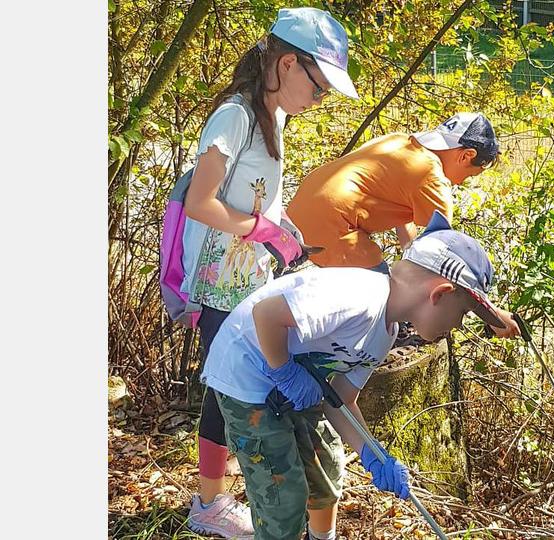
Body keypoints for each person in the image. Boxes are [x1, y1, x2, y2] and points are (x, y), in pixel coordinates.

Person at [200, 211, 512, 540]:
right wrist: (285, 372)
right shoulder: (358, 297)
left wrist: (372, 453)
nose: (459, 325)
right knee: (283, 497)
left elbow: (341, 400)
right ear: (438, 294)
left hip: (296, 380)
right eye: (462, 312)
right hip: (247, 373)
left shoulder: (385, 333)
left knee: (327, 471)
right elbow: (267, 314)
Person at [181, 8, 360, 538]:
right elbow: (200, 202)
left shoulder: (273, 114)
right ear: (287, 64)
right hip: (221, 283)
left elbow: (258, 196)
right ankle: (208, 504)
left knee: (234, 385)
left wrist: (287, 232)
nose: (320, 98)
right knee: (222, 387)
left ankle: (217, 496)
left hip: (252, 280)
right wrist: (264, 230)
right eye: (320, 86)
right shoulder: (235, 117)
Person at [286, 113, 501, 274]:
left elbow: (404, 222)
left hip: (297, 214)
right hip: (331, 224)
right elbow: (445, 252)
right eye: (472, 174)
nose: (464, 182)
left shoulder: (402, 142)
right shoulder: (431, 176)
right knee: (382, 297)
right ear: (466, 156)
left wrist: (408, 253)